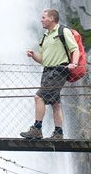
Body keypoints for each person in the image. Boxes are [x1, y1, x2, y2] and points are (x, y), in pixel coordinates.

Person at [20, 9, 79, 140]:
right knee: (55, 103)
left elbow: (75, 49)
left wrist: (74, 63)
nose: (41, 20)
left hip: (59, 70)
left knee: (38, 97)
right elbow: (42, 59)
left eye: (43, 17)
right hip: (47, 71)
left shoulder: (63, 31)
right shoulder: (45, 36)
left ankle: (37, 129)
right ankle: (58, 133)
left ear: (51, 18)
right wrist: (33, 55)